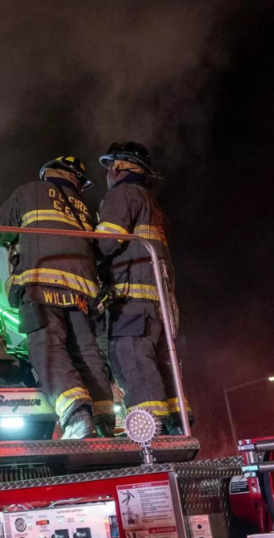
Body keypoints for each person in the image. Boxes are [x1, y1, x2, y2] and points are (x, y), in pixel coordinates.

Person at [0, 156, 115, 438]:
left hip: (42, 286)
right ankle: (104, 421)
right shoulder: (84, 210)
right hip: (82, 294)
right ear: (76, 180)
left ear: (48, 173)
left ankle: (77, 417)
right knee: (86, 354)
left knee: (48, 349)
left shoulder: (29, 191)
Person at [95, 142, 190, 435]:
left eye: (111, 165)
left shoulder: (122, 195)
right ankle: (177, 422)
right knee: (160, 366)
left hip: (131, 302)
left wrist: (80, 256)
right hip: (158, 305)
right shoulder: (153, 206)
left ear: (120, 166)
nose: (109, 172)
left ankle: (151, 432)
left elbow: (106, 243)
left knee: (131, 361)